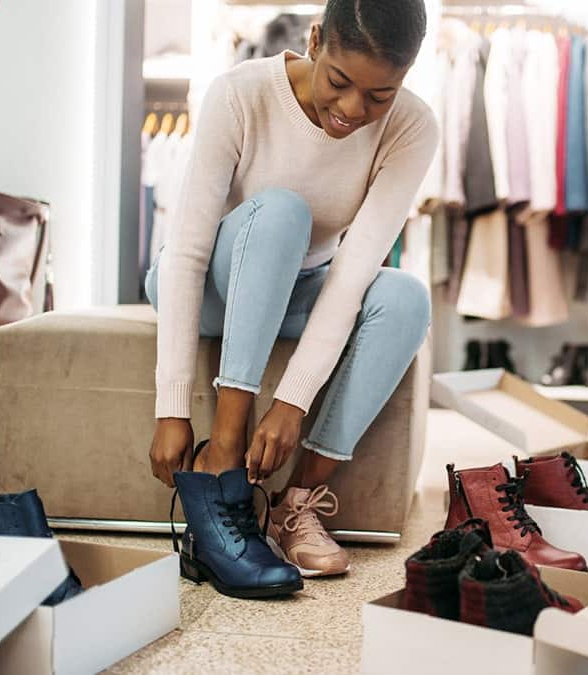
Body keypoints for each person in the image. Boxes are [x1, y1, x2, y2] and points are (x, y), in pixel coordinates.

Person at [144, 0, 436, 598]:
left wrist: (294, 401)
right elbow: (188, 252)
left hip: (302, 288)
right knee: (282, 212)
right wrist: (172, 406)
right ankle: (221, 462)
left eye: (379, 95)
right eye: (339, 81)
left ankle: (295, 505)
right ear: (315, 39)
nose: (354, 110)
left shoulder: (413, 127)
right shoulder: (240, 95)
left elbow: (354, 273)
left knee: (405, 298)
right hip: (212, 286)